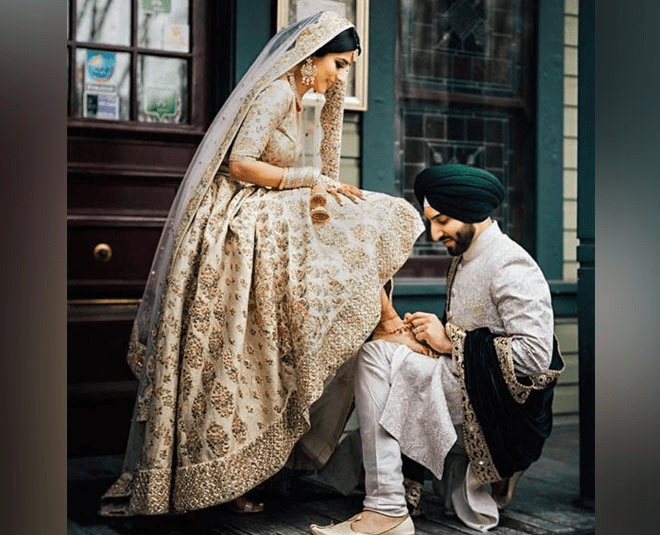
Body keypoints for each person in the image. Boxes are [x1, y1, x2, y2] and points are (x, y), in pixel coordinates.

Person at [99, 11, 425, 517]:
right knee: (364, 224)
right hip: (240, 211)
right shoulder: (275, 94)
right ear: (309, 58)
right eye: (338, 64)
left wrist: (323, 188)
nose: (341, 76)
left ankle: (375, 327)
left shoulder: (312, 105)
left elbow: (317, 171)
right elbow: (240, 163)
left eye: (347, 68)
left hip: (279, 207)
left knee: (372, 216)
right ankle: (384, 324)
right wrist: (306, 183)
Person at [310, 164, 564, 534]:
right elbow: (470, 334)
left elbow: (535, 357)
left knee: (377, 359)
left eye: (442, 220)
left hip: (495, 409)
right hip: (464, 386)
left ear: (472, 211)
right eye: (431, 221)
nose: (434, 232)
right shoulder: (465, 257)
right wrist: (432, 334)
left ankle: (386, 507)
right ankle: (381, 497)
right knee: (379, 351)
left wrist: (450, 340)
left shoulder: (511, 264)